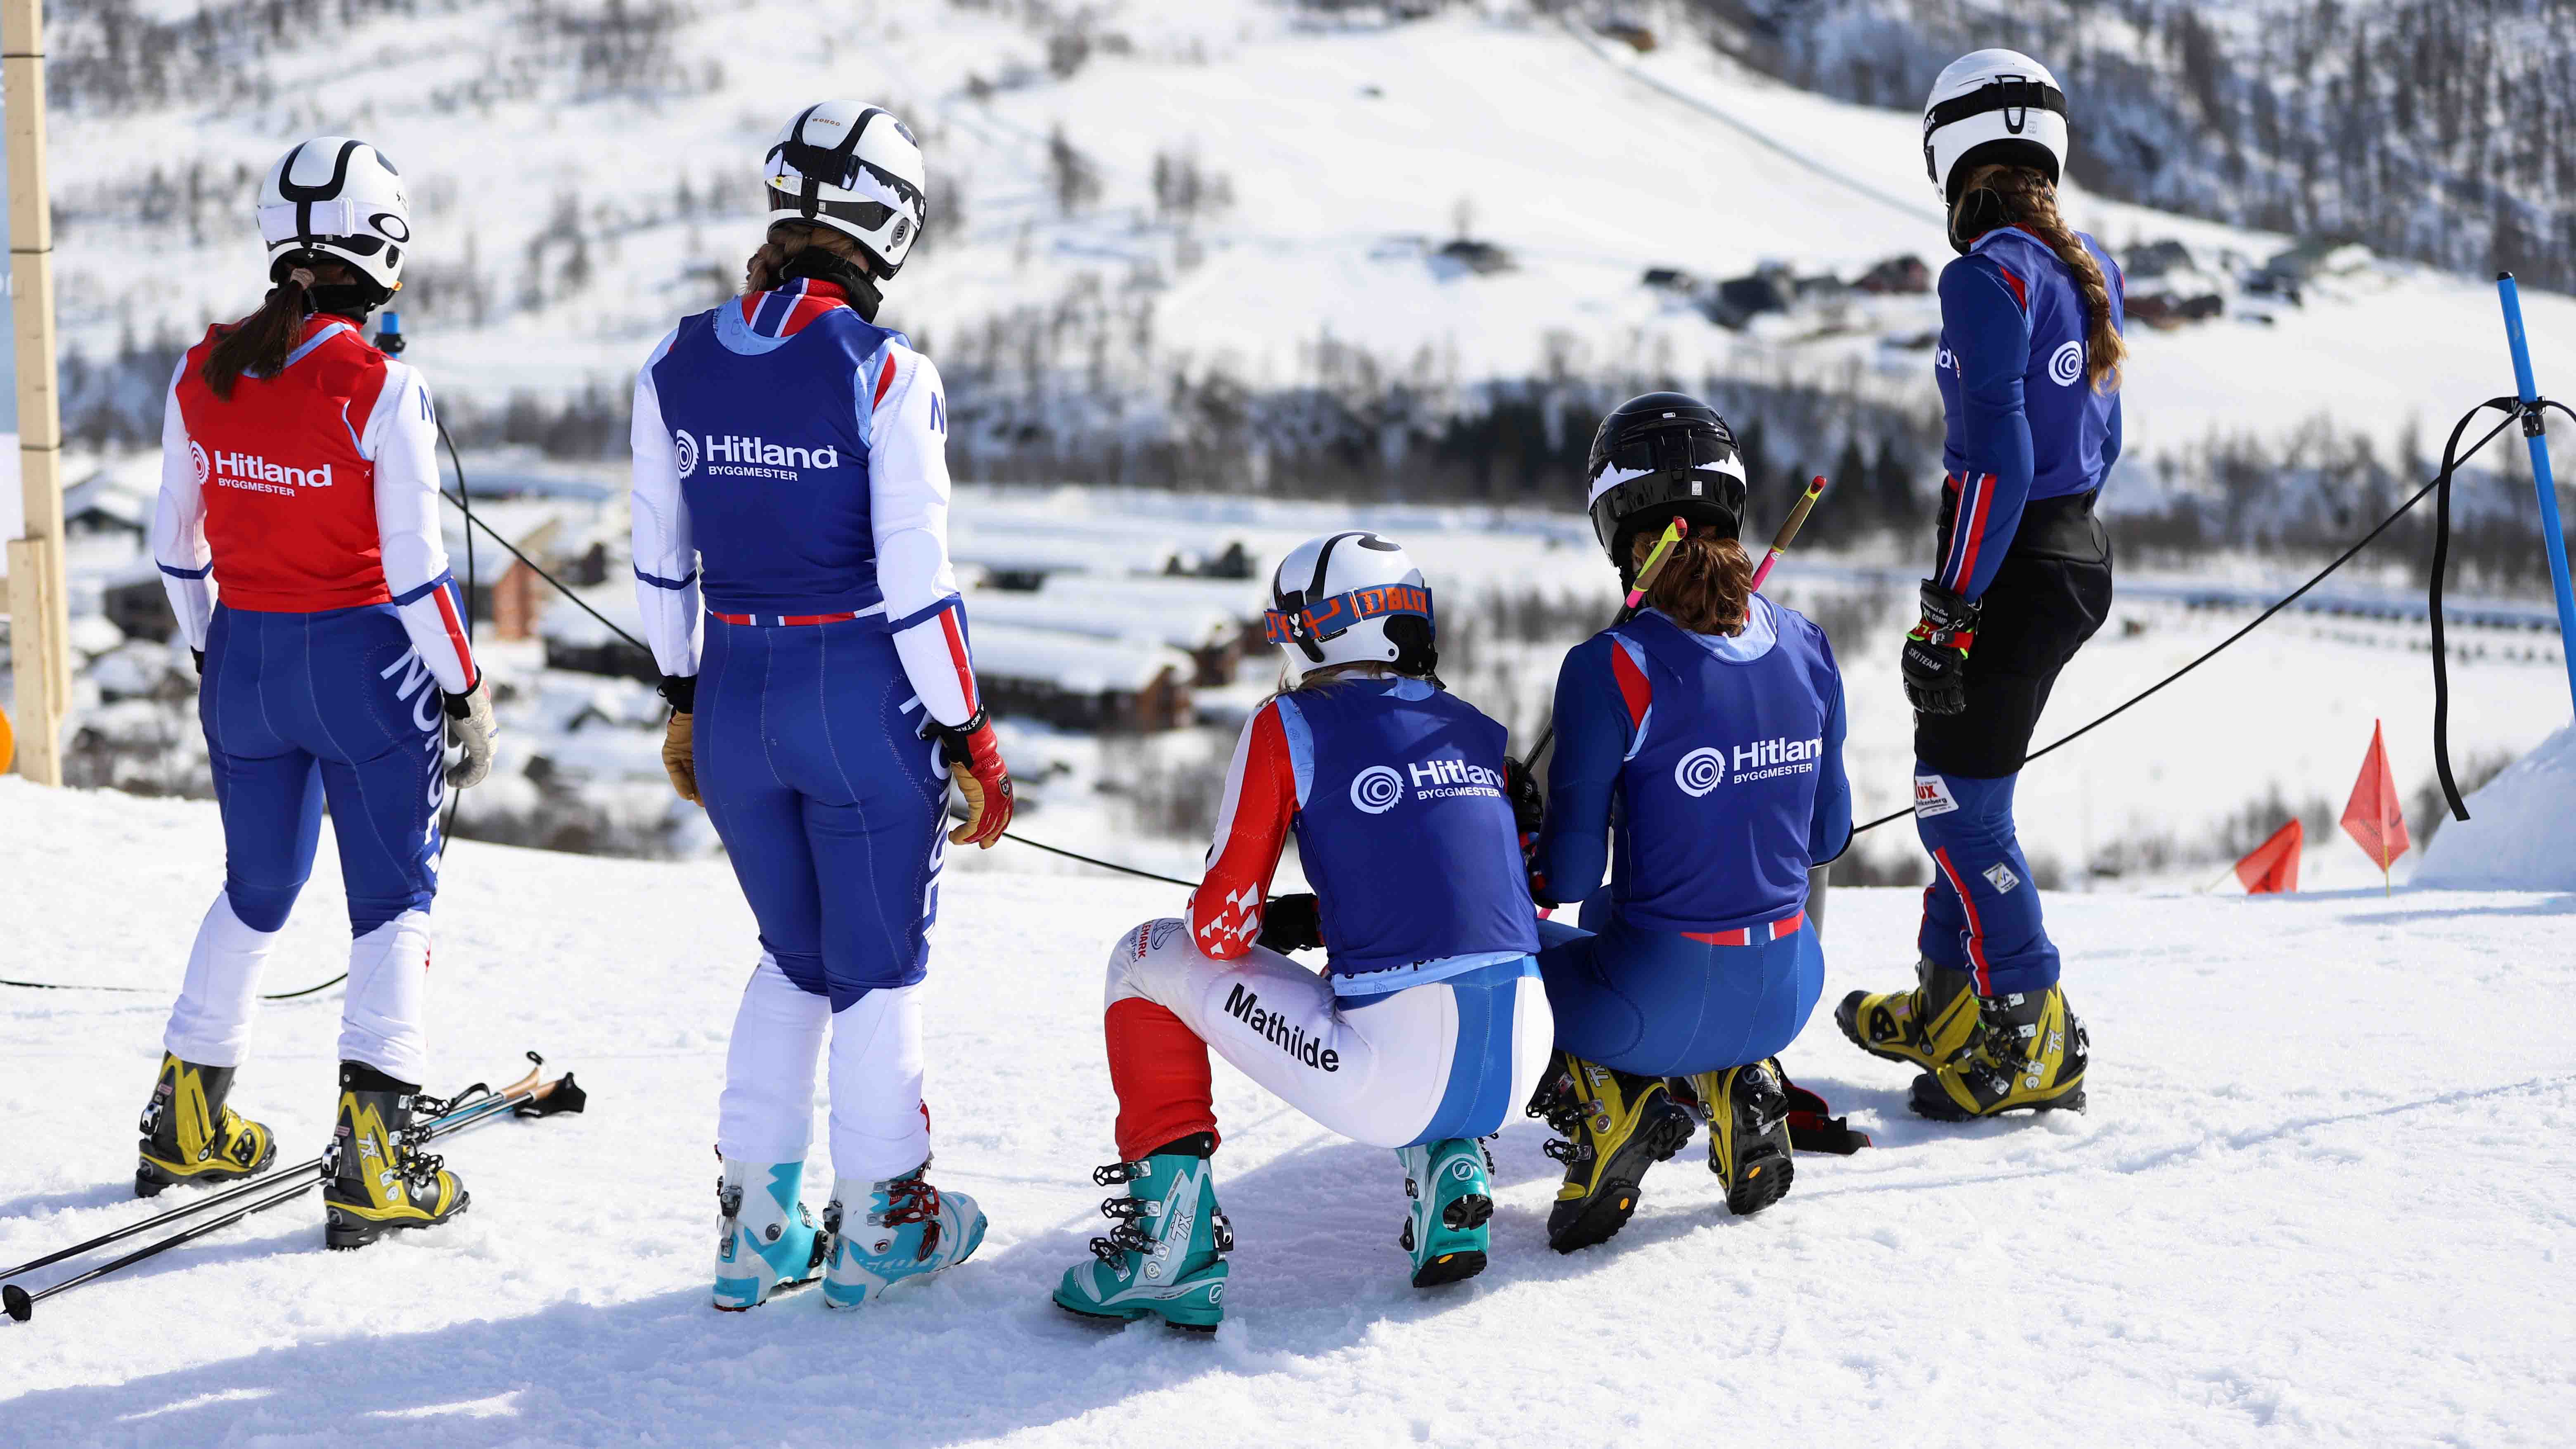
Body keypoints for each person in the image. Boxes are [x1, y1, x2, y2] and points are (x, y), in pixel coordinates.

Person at [631, 101, 1011, 1312]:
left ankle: (755, 1232)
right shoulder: (887, 371)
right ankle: (888, 1219)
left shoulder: (674, 359)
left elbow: (658, 566)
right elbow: (920, 582)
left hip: (733, 692)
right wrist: (971, 733)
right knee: (879, 967)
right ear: (890, 227)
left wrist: (682, 701)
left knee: (791, 959)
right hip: (860, 696)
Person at [1053, 531, 1552, 1329]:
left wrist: (1264, 912)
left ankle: (1168, 1252)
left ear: (1320, 629)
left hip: (1396, 1076)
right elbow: (1494, 910)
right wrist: (1323, 918)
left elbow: (1219, 932)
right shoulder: (1474, 727)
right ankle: (1453, 1166)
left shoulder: (1289, 724)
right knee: (1371, 975)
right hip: (1517, 1064)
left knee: (1143, 957)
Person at [142, 137, 498, 1250]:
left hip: (243, 659)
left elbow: (175, 547)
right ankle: (379, 1159)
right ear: (382, 248)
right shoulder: (383, 385)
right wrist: (465, 688)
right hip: (363, 670)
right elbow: (419, 574)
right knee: (393, 902)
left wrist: (214, 650)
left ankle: (186, 1116)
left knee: (257, 887)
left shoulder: (203, 367)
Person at [1836, 50, 2120, 1119]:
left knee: (1954, 808)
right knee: (1966, 792)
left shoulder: (1984, 275)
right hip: (2073, 553)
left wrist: (1950, 607)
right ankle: (1950, 1002)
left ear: (1947, 156)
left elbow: (1993, 463)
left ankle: (2031, 1028)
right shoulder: (2088, 266)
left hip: (2011, 565)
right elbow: (2099, 438)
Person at [1514, 394, 1853, 1254]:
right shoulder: (1809, 645)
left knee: (1520, 949)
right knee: (1616, 917)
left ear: (1614, 526)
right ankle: (1740, 1082)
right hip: (1789, 990)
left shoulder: (1611, 666)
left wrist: (1514, 841)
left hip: (1654, 1004)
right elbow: (1827, 839)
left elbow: (1567, 879)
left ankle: (1614, 1101)